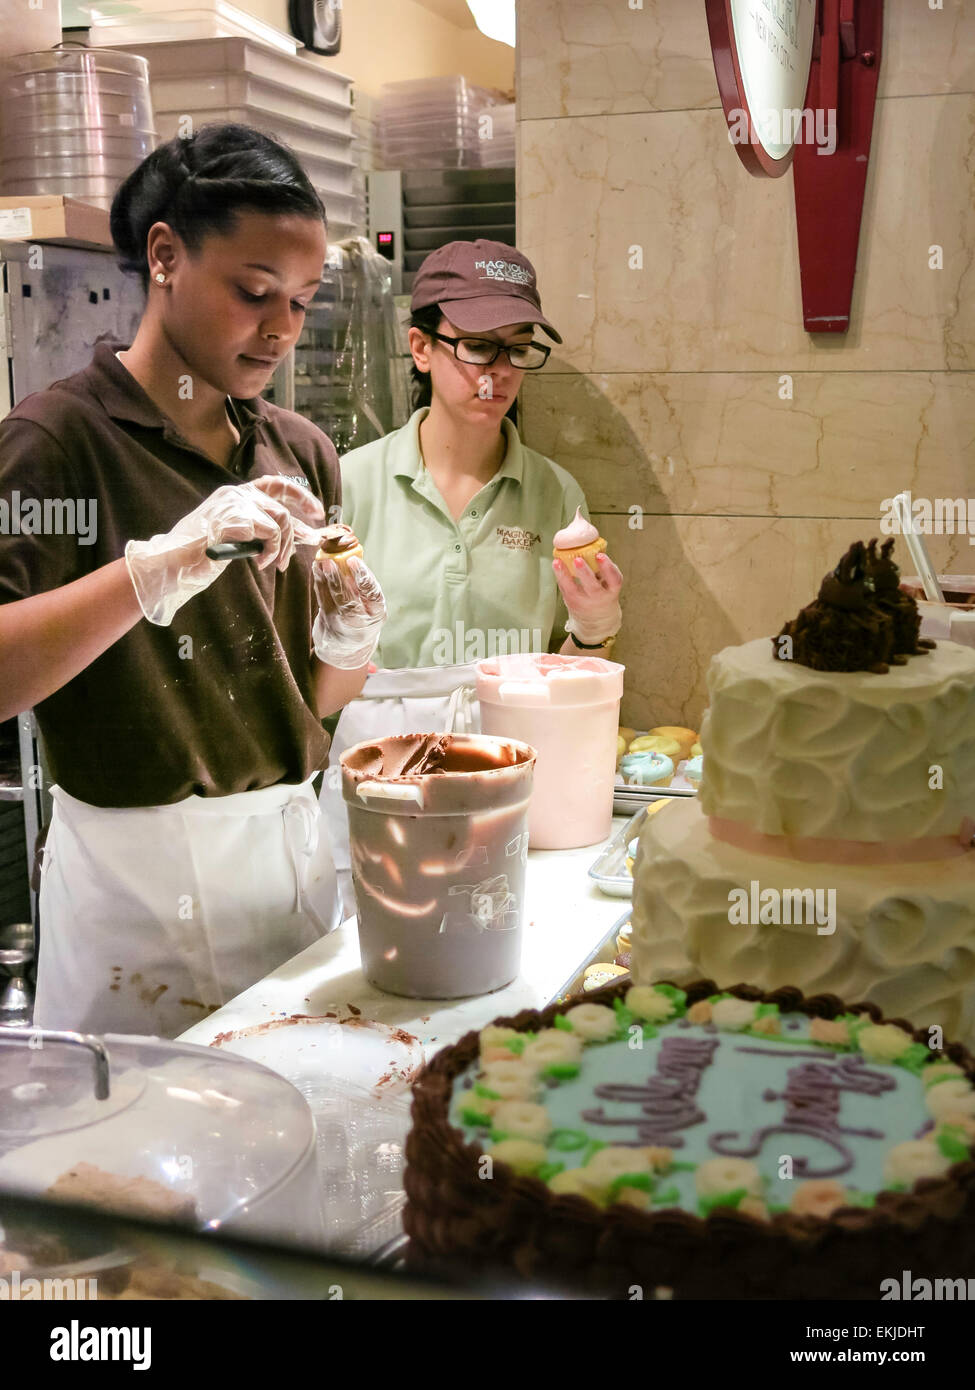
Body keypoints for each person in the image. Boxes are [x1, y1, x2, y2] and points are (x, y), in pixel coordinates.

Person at [0, 123, 386, 1037]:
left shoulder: (300, 452)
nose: (283, 331)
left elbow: (319, 702)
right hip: (139, 900)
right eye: (254, 294)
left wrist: (352, 637)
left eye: (301, 301)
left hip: (288, 870)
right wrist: (158, 568)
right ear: (165, 255)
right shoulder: (59, 443)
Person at [323, 239, 624, 913]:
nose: (498, 373)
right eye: (477, 346)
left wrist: (592, 629)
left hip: (510, 765)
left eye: (517, 348)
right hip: (378, 777)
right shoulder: (352, 485)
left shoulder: (552, 494)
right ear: (421, 347)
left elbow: (564, 681)